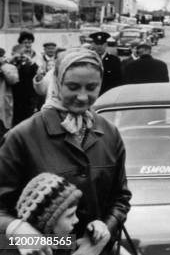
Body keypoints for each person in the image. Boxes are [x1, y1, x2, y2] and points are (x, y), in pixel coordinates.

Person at [0, 48, 131, 255]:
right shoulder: (22, 137)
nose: (82, 96)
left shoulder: (109, 134)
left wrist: (105, 229)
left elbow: (120, 198)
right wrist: (19, 231)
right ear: (58, 83)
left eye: (92, 87)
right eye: (72, 87)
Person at [10, 44, 39, 127]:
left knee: (28, 119)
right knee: (15, 119)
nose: (22, 56)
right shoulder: (11, 64)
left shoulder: (30, 64)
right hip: (14, 97)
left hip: (28, 97)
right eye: (20, 54)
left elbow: (35, 71)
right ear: (13, 53)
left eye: (24, 53)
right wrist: (12, 60)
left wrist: (30, 61)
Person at [0, 48, 19, 137]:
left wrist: (3, 66)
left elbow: (14, 80)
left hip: (3, 103)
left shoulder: (10, 67)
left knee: (4, 130)